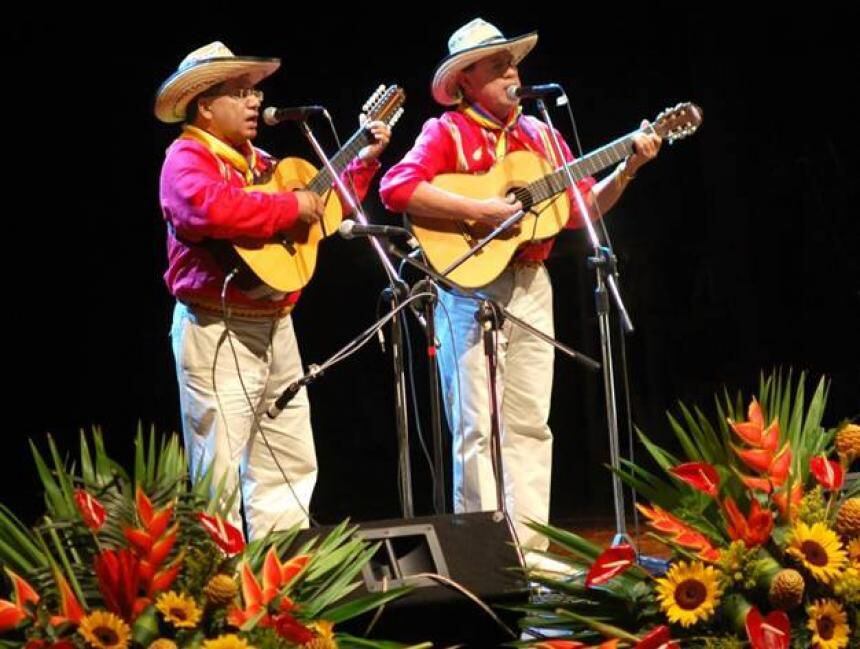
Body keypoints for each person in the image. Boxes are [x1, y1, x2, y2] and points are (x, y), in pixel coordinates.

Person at [379, 18, 661, 555]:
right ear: (465, 80)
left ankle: (528, 553)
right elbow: (398, 187)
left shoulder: (540, 133)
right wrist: (480, 209)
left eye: (513, 63)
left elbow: (580, 210)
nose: (512, 73)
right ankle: (482, 556)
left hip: (532, 281)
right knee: (476, 428)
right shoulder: (446, 131)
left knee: (531, 422)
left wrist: (626, 168)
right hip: (468, 288)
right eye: (497, 66)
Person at [155, 41, 390, 539]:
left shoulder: (264, 163)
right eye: (240, 93)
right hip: (216, 329)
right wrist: (289, 209)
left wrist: (363, 162)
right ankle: (220, 593)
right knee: (217, 471)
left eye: (255, 92)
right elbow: (208, 209)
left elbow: (324, 210)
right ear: (204, 105)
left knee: (287, 459)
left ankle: (282, 586)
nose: (255, 102)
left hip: (276, 325)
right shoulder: (186, 158)